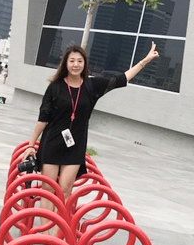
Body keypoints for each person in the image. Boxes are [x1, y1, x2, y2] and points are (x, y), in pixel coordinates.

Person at [23, 41, 159, 201]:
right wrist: (31, 145)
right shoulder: (55, 87)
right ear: (65, 63)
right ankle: (46, 226)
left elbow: (121, 79)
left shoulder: (91, 85)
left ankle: (58, 227)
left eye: (79, 61)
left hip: (75, 146)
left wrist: (145, 61)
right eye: (72, 61)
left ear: (84, 63)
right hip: (52, 142)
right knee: (48, 188)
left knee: (65, 190)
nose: (76, 65)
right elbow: (43, 118)